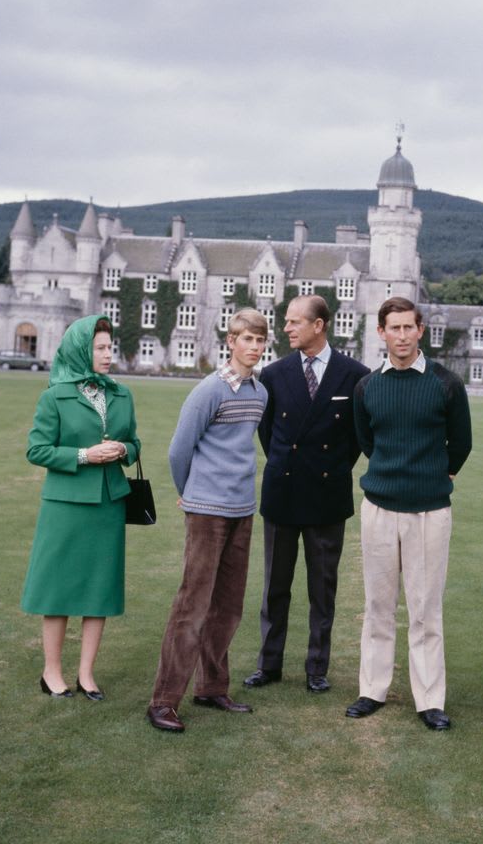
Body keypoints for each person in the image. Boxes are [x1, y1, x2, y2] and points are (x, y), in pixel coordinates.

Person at [346, 297, 472, 731]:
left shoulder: (446, 383)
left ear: (421, 331)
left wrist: (436, 475)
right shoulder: (368, 386)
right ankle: (372, 689)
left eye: (408, 328)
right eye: (393, 328)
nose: (401, 336)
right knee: (378, 605)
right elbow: (367, 440)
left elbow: (462, 444)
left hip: (429, 511)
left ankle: (429, 699)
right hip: (379, 507)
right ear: (381, 333)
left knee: (424, 608)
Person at [147, 308, 269, 733]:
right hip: (206, 512)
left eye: (260, 340)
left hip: (242, 510)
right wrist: (190, 494)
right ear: (230, 342)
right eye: (246, 339)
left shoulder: (259, 392)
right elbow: (179, 451)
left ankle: (212, 687)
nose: (253, 347)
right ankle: (163, 700)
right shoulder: (208, 391)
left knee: (228, 606)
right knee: (192, 605)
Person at [243, 295, 369, 693]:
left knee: (322, 589)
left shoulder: (355, 375)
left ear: (319, 326)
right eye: (286, 321)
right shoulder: (274, 374)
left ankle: (317, 667)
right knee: (274, 587)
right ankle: (269, 664)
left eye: (295, 322)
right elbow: (268, 434)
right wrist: (287, 465)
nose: (286, 329)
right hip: (283, 491)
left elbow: (356, 439)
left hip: (328, 495)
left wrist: (328, 471)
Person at [21, 314, 140, 701]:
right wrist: (85, 455)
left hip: (108, 504)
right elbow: (36, 450)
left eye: (110, 348)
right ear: (80, 350)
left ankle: (87, 674)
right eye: (100, 348)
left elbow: (134, 443)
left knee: (98, 590)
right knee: (58, 591)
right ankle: (51, 672)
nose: (108, 355)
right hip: (65, 506)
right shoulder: (54, 395)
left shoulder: (122, 394)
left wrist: (124, 449)